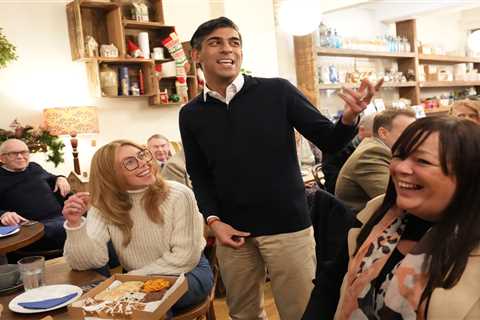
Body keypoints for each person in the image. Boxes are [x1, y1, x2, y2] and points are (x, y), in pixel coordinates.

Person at [179, 16, 383, 319]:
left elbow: (329, 140)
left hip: (289, 227)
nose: (228, 49)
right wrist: (214, 221)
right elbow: (199, 174)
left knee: (302, 312)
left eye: (234, 42)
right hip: (233, 233)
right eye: (215, 42)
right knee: (242, 314)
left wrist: (349, 117)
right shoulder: (191, 114)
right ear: (196, 55)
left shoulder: (277, 92)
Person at [328, 116, 480, 319]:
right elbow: (330, 283)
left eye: (423, 161)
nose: (400, 168)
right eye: (399, 155)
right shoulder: (376, 214)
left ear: (467, 175)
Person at [62, 140, 213, 314]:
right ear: (111, 174)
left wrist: (127, 281)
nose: (143, 163)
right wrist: (75, 225)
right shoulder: (103, 205)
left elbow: (184, 257)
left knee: (141, 305)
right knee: (120, 308)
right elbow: (88, 262)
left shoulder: (179, 194)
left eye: (142, 155)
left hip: (188, 273)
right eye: (130, 162)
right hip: (136, 277)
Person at [335, 109, 416, 212]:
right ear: (383, 133)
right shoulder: (372, 153)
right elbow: (395, 199)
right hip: (363, 224)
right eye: (408, 134)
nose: (415, 139)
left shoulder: (378, 148)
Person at [0, 138, 70, 252]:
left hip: (60, 216)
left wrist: (60, 178)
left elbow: (51, 177)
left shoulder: (34, 167)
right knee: (80, 229)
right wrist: (3, 214)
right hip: (32, 227)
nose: (20, 156)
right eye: (13, 153)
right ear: (2, 158)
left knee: (94, 223)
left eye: (24, 152)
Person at [322, 113, 375, 194]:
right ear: (362, 130)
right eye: (375, 132)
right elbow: (334, 183)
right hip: (342, 196)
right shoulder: (340, 147)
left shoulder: (363, 146)